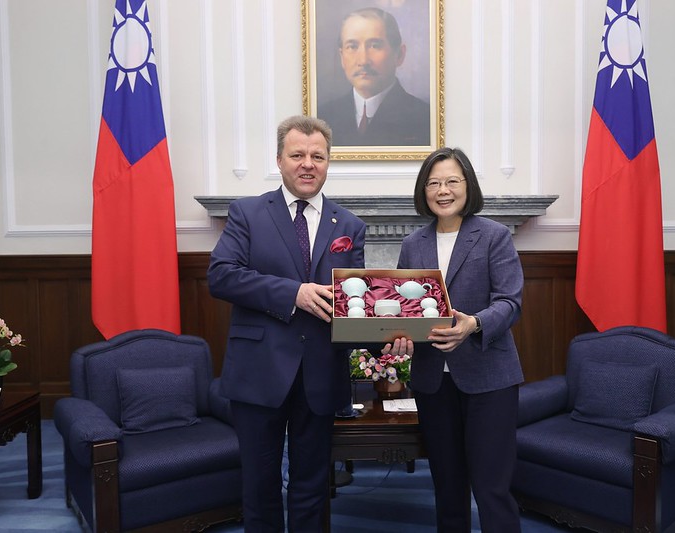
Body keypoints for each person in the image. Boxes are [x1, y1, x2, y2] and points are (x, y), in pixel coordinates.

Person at [208, 114, 412, 532]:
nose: (308, 163)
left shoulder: (349, 226)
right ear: (279, 160)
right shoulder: (247, 213)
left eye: (317, 156)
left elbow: (351, 304)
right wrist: (292, 293)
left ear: (328, 162)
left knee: (313, 484)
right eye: (297, 154)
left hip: (320, 372)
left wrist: (388, 338)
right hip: (258, 372)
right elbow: (221, 276)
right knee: (260, 483)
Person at [397, 147, 524, 532]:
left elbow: (510, 302)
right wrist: (397, 337)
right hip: (434, 380)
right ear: (424, 190)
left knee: (491, 488)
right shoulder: (412, 244)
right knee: (447, 487)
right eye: (434, 183)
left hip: (489, 378)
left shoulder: (494, 236)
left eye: (452, 181)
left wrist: (475, 324)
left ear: (468, 186)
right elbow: (405, 309)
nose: (443, 190)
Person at [318, 7, 430, 147]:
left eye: (375, 45)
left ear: (399, 55)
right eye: (352, 47)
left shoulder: (424, 119)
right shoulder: (322, 118)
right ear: (342, 57)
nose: (363, 61)